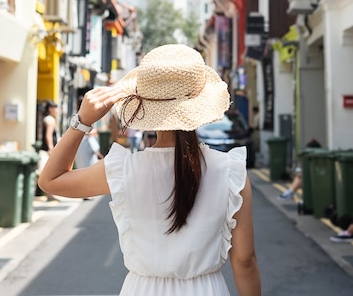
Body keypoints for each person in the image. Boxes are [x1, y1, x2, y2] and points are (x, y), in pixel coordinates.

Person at [39, 44, 261, 296]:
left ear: (143, 103)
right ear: (200, 103)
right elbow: (244, 261)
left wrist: (82, 122)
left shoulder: (123, 169)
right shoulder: (230, 171)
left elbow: (51, 180)